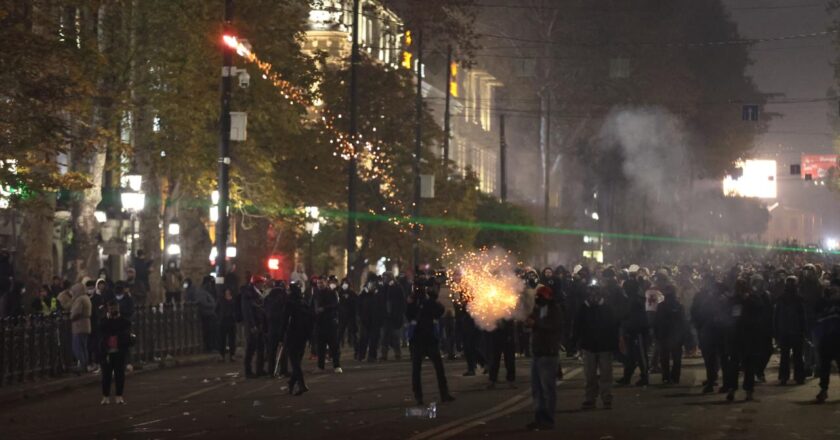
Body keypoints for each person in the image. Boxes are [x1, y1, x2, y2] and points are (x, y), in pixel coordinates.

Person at [406, 276, 455, 406]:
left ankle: (419, 396)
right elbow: (439, 311)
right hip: (427, 338)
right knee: (437, 368)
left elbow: (408, 315)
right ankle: (443, 394)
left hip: (419, 339)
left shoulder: (414, 301)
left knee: (418, 369)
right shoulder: (426, 301)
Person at [573, 284, 620, 411]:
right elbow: (577, 326)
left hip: (604, 346)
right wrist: (577, 343)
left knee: (605, 375)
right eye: (590, 295)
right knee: (590, 375)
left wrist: (614, 346)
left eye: (595, 295)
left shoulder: (607, 308)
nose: (593, 297)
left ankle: (606, 399)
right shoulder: (584, 308)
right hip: (589, 346)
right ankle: (590, 399)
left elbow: (614, 327)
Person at [525, 285, 562, 431]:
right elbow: (532, 324)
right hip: (538, 352)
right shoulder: (538, 309)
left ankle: (548, 419)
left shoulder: (554, 310)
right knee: (537, 389)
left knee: (547, 389)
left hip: (548, 352)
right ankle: (539, 418)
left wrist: (536, 323)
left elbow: (554, 326)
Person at [279, 282, 314, 395]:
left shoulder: (289, 303)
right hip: (303, 336)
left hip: (292, 335)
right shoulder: (304, 303)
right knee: (297, 361)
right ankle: (292, 383)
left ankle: (301, 384)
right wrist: (310, 337)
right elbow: (310, 321)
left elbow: (285, 320)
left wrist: (281, 335)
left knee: (294, 362)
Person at [774, 276, 807, 385]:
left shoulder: (788, 299)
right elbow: (777, 316)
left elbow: (802, 317)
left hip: (790, 331)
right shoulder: (789, 299)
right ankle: (796, 377)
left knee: (790, 355)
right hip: (789, 331)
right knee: (792, 355)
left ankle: (790, 377)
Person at [99, 300, 132, 405]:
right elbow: (101, 333)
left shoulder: (124, 322)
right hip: (107, 352)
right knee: (106, 375)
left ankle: (119, 396)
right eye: (111, 308)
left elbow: (126, 335)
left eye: (115, 308)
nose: (113, 310)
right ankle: (105, 396)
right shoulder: (104, 321)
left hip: (119, 351)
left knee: (119, 375)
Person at [654, 284, 687, 384]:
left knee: (665, 357)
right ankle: (675, 377)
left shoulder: (661, 306)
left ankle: (666, 376)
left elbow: (657, 321)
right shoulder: (679, 306)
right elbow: (683, 322)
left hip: (664, 334)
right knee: (676, 357)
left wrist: (656, 334)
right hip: (676, 335)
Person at [815, 270, 840, 403]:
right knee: (824, 367)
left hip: (837, 339)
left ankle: (823, 390)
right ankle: (823, 390)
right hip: (826, 339)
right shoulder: (824, 302)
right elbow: (818, 317)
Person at [314, 276, 342, 373]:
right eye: (318, 283)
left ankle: (337, 365)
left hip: (330, 323)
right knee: (320, 347)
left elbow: (336, 305)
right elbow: (312, 306)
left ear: (326, 283)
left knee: (334, 346)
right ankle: (320, 366)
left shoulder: (332, 293)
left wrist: (324, 309)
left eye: (321, 283)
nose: (319, 285)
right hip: (319, 323)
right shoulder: (316, 294)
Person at [241, 275, 267, 377]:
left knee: (261, 347)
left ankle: (260, 369)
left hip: (259, 323)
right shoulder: (248, 294)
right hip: (253, 325)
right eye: (261, 283)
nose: (263, 285)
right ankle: (248, 371)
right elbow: (248, 311)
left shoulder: (258, 293)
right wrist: (252, 325)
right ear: (256, 283)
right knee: (251, 348)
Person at [357, 273, 384, 362]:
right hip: (366, 319)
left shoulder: (379, 291)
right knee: (365, 338)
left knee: (373, 339)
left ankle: (370, 356)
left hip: (374, 319)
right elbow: (359, 305)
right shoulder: (364, 292)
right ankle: (362, 355)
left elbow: (381, 305)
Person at [187, 277, 217, 352]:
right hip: (206, 314)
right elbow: (203, 303)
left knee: (211, 332)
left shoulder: (206, 292)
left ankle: (211, 346)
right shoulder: (201, 292)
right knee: (208, 332)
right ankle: (209, 347)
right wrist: (213, 305)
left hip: (209, 314)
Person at [69, 278, 93, 374]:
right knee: (84, 347)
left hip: (79, 325)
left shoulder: (79, 299)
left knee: (77, 347)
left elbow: (76, 312)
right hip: (86, 325)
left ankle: (82, 366)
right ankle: (84, 365)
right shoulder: (86, 297)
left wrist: (71, 317)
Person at [381, 272, 405, 361]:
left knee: (395, 336)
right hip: (386, 316)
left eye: (385, 277)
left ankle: (397, 353)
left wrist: (399, 313)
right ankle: (384, 354)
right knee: (385, 337)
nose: (384, 279)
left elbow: (402, 302)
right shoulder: (384, 288)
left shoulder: (397, 287)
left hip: (395, 315)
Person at [486, 317, 516, 389]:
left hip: (507, 333)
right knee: (494, 359)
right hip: (496, 334)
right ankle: (492, 380)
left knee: (509, 359)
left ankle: (510, 380)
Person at [217, 287, 238, 362]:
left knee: (232, 339)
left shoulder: (233, 299)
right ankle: (222, 355)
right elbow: (217, 309)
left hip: (231, 320)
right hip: (223, 321)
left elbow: (236, 309)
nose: (227, 292)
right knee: (222, 339)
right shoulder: (221, 300)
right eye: (226, 291)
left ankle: (232, 355)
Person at [337, 278, 357, 349]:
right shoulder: (339, 293)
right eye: (343, 283)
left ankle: (356, 349)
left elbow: (355, 303)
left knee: (353, 332)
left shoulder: (352, 293)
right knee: (340, 332)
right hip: (342, 315)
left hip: (350, 315)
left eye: (346, 283)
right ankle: (336, 347)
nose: (345, 285)